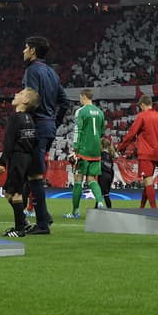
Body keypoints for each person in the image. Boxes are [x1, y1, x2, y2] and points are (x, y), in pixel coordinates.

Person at [21, 36, 70, 234]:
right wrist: (54, 122)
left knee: (34, 175)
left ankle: (42, 224)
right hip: (48, 128)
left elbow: (32, 98)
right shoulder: (52, 72)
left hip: (36, 126)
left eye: (25, 48)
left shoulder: (32, 70)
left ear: (32, 50)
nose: (23, 51)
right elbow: (65, 102)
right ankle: (44, 215)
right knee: (32, 172)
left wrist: (24, 122)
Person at [0, 88, 40, 238]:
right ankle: (23, 221)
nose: (16, 94)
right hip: (27, 158)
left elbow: (8, 141)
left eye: (20, 93)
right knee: (8, 193)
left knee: (15, 194)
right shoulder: (30, 118)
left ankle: (20, 228)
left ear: (25, 101)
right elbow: (35, 141)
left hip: (18, 158)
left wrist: (2, 162)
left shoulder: (15, 118)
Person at [118, 95, 158, 209]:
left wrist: (121, 147)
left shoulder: (142, 116)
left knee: (148, 180)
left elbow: (131, 133)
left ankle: (154, 209)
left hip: (145, 153)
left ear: (143, 104)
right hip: (156, 153)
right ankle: (141, 207)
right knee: (147, 180)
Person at [65, 89, 105, 219]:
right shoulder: (100, 112)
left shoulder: (81, 111)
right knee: (92, 180)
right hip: (95, 150)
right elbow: (102, 132)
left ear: (84, 96)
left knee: (78, 180)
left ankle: (75, 211)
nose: (80, 100)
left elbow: (78, 130)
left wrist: (75, 149)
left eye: (80, 97)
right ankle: (99, 202)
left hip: (83, 150)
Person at [98, 136, 116, 209]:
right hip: (109, 176)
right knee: (102, 194)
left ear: (102, 145)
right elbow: (112, 170)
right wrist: (111, 180)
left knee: (104, 195)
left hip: (103, 176)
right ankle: (96, 208)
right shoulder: (110, 157)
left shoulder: (101, 155)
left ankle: (110, 209)